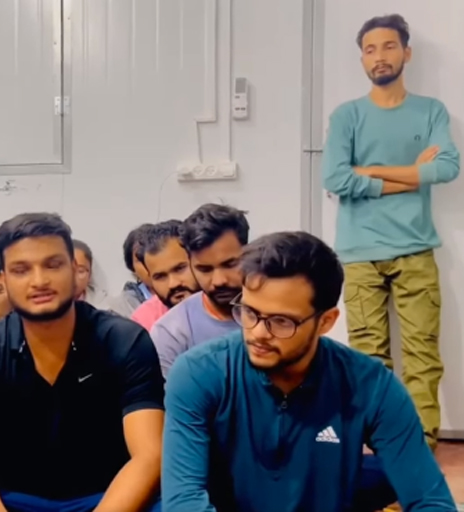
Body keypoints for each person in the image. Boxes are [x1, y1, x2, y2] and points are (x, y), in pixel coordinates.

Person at [161, 231, 455, 512]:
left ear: (326, 322)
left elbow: (430, 500)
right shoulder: (199, 373)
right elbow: (184, 500)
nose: (258, 333)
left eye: (281, 321)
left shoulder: (371, 385)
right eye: (249, 312)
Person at [0, 213, 165, 512]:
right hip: (13, 498)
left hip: (107, 496)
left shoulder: (124, 340)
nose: (39, 280)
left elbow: (148, 457)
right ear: (4, 279)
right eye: (21, 270)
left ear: (75, 271)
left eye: (53, 265)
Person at [321, 14, 459, 451]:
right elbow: (335, 178)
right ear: (362, 59)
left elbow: (447, 168)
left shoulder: (431, 111)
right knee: (368, 358)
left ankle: (419, 447)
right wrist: (411, 174)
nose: (379, 56)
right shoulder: (347, 116)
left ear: (406, 53)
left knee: (422, 356)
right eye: (370, 49)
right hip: (359, 252)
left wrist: (369, 172)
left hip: (416, 249)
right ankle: (375, 447)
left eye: (388, 46)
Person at [150, 204, 248, 377]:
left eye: (230, 264)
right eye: (205, 269)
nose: (219, 281)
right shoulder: (170, 332)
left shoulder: (280, 313)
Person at [130, 220, 199, 331]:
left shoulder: (226, 299)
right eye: (160, 277)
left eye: (179, 269)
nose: (173, 284)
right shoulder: (144, 322)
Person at [104, 223, 154, 318]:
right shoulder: (122, 308)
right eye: (140, 259)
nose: (148, 264)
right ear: (132, 268)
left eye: (154, 256)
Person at [72, 239, 106, 307]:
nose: (73, 277)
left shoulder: (103, 306)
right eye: (67, 270)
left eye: (80, 271)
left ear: (90, 275)